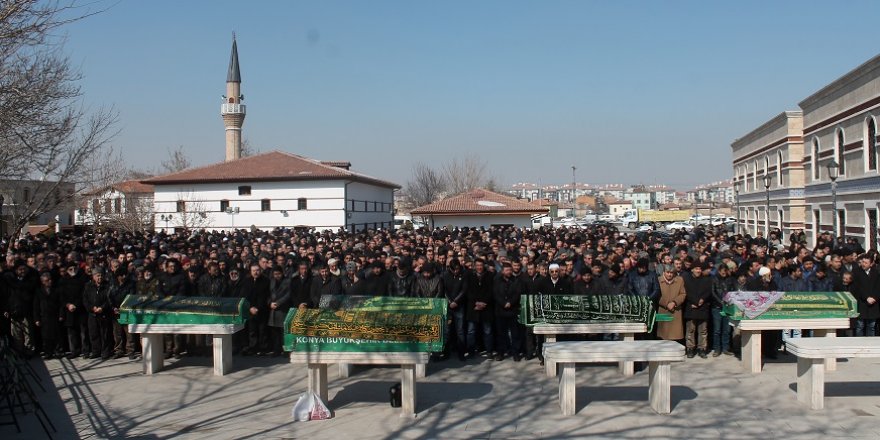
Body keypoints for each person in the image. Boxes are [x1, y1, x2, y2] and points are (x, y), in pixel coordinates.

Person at [493, 262, 524, 361]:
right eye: (507, 270)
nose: (509, 272)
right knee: (501, 334)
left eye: (510, 270)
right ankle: (501, 353)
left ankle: (515, 353)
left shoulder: (516, 280)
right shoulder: (497, 280)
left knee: (515, 334)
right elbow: (495, 294)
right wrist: (503, 303)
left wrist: (510, 302)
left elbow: (517, 293)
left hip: (512, 310)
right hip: (500, 310)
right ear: (502, 271)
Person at [465, 258, 494, 358]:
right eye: (477, 265)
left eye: (481, 265)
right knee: (471, 331)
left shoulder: (490, 275)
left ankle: (489, 351)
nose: (479, 267)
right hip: (473, 307)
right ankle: (471, 351)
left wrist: (483, 303)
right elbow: (467, 290)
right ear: (474, 266)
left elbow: (491, 291)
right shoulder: (469, 275)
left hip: (486, 307)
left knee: (487, 331)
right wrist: (476, 303)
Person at [82, 268, 113, 360]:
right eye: (98, 275)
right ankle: (96, 351)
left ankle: (105, 352)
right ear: (93, 276)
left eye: (101, 275)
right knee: (93, 333)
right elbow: (85, 300)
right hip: (92, 313)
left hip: (103, 313)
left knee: (105, 334)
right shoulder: (88, 286)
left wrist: (102, 308)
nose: (100, 277)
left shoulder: (107, 286)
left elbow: (109, 299)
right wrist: (92, 308)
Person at [683, 263, 712, 358]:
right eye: (696, 269)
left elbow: (708, 292)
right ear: (692, 270)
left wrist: (702, 300)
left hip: (703, 308)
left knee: (703, 331)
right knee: (690, 330)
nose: (698, 271)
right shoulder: (687, 280)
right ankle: (690, 348)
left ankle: (702, 348)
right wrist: (695, 302)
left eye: (699, 269)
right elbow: (685, 293)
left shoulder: (706, 280)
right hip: (691, 307)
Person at [441, 258, 467, 360]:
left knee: (460, 330)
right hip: (448, 305)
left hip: (459, 305)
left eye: (458, 269)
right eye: (454, 269)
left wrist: (456, 301)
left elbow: (464, 290)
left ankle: (461, 353)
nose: (456, 271)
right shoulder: (444, 275)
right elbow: (443, 290)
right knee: (447, 330)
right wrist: (450, 302)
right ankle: (446, 353)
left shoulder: (463, 274)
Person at [241, 264, 270, 355]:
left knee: (263, 331)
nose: (255, 272)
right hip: (251, 310)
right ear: (250, 271)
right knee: (252, 331)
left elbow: (266, 296)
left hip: (262, 310)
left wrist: (258, 308)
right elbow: (245, 296)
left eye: (257, 270)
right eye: (253, 270)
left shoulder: (266, 281)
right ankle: (253, 348)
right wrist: (250, 308)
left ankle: (263, 349)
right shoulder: (246, 281)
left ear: (260, 271)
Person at [33, 272, 62, 359]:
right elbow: (36, 306)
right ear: (42, 281)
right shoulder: (38, 291)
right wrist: (36, 319)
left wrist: (61, 315)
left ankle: (57, 351)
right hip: (44, 317)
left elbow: (60, 303)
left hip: (55, 315)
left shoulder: (56, 290)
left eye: (50, 280)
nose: (49, 281)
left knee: (56, 335)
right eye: (47, 280)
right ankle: (48, 352)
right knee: (46, 336)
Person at [710, 263, 736, 356]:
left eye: (725, 271)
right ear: (719, 271)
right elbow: (713, 292)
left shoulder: (730, 279)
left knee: (727, 330)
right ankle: (717, 348)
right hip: (717, 307)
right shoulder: (714, 279)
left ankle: (726, 348)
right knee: (717, 330)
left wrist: (729, 301)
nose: (724, 273)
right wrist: (721, 302)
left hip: (728, 307)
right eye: (722, 271)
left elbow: (733, 291)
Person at [657, 263, 686, 342]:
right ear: (664, 272)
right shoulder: (658, 280)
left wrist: (674, 302)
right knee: (662, 334)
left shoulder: (680, 280)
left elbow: (683, 294)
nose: (669, 274)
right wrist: (666, 304)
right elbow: (657, 295)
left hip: (675, 310)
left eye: (671, 272)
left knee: (675, 335)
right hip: (662, 310)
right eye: (668, 272)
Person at [852, 254, 880, 337]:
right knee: (860, 325)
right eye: (863, 262)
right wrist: (866, 297)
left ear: (871, 264)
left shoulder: (876, 272)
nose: (863, 264)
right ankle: (859, 344)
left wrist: (875, 297)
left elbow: (878, 287)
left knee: (871, 326)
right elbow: (857, 287)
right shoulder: (856, 272)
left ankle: (870, 344)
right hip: (861, 302)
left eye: (866, 263)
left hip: (873, 303)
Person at [267, 266, 290, 356]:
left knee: (283, 331)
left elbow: (288, 294)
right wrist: (270, 303)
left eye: (279, 274)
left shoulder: (287, 282)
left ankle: (285, 350)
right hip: (273, 309)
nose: (277, 276)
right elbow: (268, 294)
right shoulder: (272, 282)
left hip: (282, 309)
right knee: (275, 332)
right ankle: (277, 350)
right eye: (275, 274)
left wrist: (278, 303)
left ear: (282, 273)